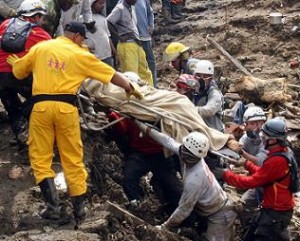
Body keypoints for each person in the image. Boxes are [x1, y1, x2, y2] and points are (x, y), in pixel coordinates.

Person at [7, 21, 143, 222]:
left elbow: (18, 73)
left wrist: (16, 63)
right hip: (66, 109)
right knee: (72, 157)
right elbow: (111, 75)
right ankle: (79, 208)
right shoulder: (80, 55)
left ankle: (52, 207)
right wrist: (130, 88)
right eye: (82, 40)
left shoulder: (41, 47)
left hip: (41, 108)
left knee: (40, 156)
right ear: (78, 37)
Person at [135, 121, 237, 241]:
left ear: (198, 157)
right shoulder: (187, 151)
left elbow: (184, 209)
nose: (184, 158)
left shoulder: (196, 178)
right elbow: (167, 141)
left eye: (189, 157)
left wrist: (165, 226)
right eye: (183, 153)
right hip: (209, 209)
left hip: (219, 214)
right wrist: (142, 126)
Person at [214, 118, 296, 241]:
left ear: (274, 140)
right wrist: (246, 163)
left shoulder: (277, 160)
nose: (263, 141)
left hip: (276, 212)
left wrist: (226, 175)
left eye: (265, 138)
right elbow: (266, 175)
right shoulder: (283, 153)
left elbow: (253, 181)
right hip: (278, 210)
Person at [106, 105, 182, 214]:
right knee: (128, 179)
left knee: (172, 186)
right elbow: (122, 127)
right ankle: (138, 206)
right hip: (140, 153)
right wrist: (114, 117)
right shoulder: (131, 110)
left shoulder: (163, 114)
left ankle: (177, 214)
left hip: (160, 155)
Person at [0, 0, 51, 150]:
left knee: (12, 108)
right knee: (41, 98)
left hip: (0, 76)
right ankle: (32, 132)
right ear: (35, 16)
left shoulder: (5, 24)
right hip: (20, 75)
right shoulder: (41, 34)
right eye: (40, 16)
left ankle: (21, 138)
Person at [107, 0, 154, 86]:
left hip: (137, 43)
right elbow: (108, 22)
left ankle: (150, 93)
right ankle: (134, 97)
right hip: (126, 45)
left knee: (145, 72)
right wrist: (118, 36)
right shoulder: (119, 8)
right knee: (132, 76)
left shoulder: (132, 7)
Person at [237, 106, 268, 233]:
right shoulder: (247, 138)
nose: (247, 127)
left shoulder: (268, 139)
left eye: (249, 124)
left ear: (259, 123)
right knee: (243, 205)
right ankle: (249, 230)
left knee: (270, 217)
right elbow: (240, 147)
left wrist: (243, 154)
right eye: (247, 124)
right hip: (258, 182)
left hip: (271, 185)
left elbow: (260, 161)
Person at [193, 60, 224, 133]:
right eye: (198, 75)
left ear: (210, 78)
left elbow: (209, 110)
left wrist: (190, 109)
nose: (201, 79)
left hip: (213, 131)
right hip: (198, 129)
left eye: (205, 76)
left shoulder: (214, 93)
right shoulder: (192, 90)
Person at [84, 0, 116, 67]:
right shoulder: (83, 19)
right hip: (93, 56)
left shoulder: (103, 19)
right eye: (100, 3)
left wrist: (115, 53)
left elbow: (108, 37)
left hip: (107, 55)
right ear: (92, 4)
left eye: (103, 3)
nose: (102, 6)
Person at [135, 0, 157, 87]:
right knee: (137, 63)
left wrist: (151, 26)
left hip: (145, 36)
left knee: (150, 61)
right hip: (134, 39)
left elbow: (150, 13)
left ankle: (153, 85)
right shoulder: (124, 2)